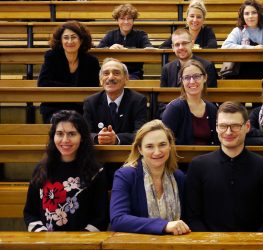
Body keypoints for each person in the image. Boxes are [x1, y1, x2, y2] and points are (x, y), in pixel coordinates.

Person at [185, 101, 263, 232]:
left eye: (235, 126)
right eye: (223, 126)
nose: (228, 132)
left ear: (247, 126)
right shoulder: (198, 166)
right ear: (216, 127)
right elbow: (192, 217)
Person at [23, 110, 109, 232]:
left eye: (72, 134)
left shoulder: (96, 172)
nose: (65, 140)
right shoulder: (41, 169)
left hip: (82, 244)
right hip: (46, 243)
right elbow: (30, 212)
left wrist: (78, 242)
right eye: (59, 134)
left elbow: (101, 218)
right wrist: (43, 236)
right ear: (53, 136)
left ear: (82, 138)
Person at [110, 119, 190, 235]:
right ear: (140, 149)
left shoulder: (179, 177)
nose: (157, 152)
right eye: (149, 146)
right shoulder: (125, 175)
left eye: (162, 145)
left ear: (170, 146)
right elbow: (118, 219)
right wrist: (164, 225)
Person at [83, 58, 147, 188]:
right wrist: (98, 137)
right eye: (106, 73)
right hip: (99, 160)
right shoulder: (91, 102)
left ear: (126, 79)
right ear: (101, 80)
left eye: (116, 73)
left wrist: (116, 139)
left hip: (129, 161)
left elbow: (141, 134)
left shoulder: (138, 100)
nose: (111, 77)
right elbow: (84, 133)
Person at [38, 21, 100, 123]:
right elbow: (43, 83)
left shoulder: (91, 61)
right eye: (66, 37)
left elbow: (93, 88)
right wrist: (74, 89)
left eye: (73, 37)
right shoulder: (52, 57)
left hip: (82, 108)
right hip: (54, 107)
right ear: (61, 41)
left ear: (81, 39)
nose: (70, 41)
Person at [162, 59, 218, 145]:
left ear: (205, 78)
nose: (192, 81)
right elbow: (165, 140)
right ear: (182, 80)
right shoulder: (174, 108)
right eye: (187, 77)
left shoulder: (212, 109)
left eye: (196, 76)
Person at [221, 0, 263, 79]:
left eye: (254, 13)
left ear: (259, 14)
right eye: (246, 13)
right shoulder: (238, 31)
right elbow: (225, 46)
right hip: (241, 72)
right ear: (242, 16)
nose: (250, 16)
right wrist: (253, 48)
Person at [97, 4, 153, 80]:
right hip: (112, 72)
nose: (126, 22)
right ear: (117, 20)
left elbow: (148, 48)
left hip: (133, 73)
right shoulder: (110, 34)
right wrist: (109, 48)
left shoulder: (141, 35)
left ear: (133, 20)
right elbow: (98, 50)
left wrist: (126, 49)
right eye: (122, 19)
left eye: (129, 18)